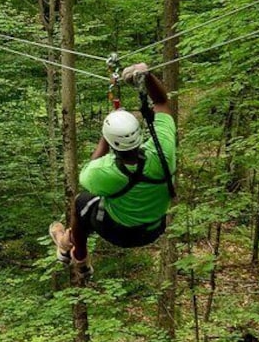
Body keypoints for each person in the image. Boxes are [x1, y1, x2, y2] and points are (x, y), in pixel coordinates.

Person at [48, 62, 176, 278]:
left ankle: (78, 257)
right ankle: (66, 241)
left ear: (111, 142)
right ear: (138, 132)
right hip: (153, 229)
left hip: (118, 232)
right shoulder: (163, 149)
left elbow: (89, 170)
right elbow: (161, 101)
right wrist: (147, 75)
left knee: (82, 203)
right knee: (94, 208)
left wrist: (104, 139)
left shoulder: (106, 173)